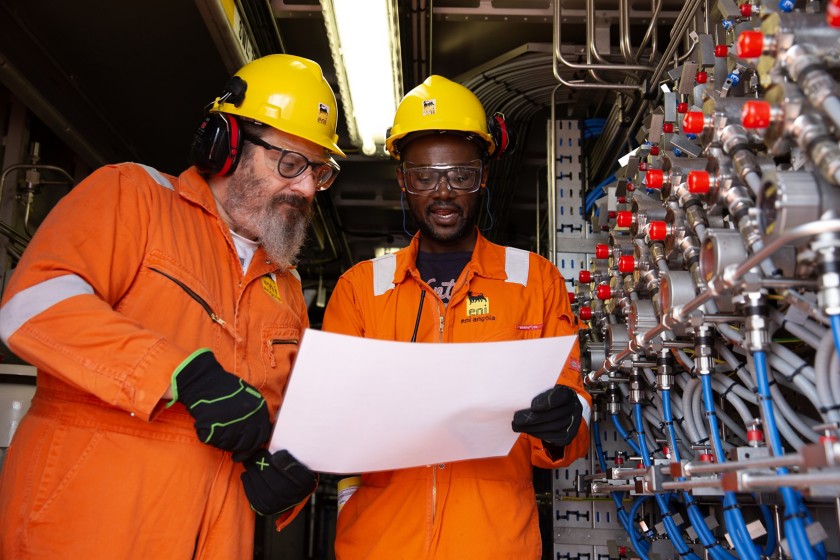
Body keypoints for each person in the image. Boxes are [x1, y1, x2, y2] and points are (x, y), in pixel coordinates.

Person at [0, 53, 341, 559]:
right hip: (89, 529)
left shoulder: (285, 284)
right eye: (290, 163)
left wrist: (290, 478)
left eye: (320, 171)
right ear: (226, 146)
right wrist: (182, 373)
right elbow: (31, 305)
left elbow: (269, 418)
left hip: (216, 539)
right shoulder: (132, 196)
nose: (308, 188)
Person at [320, 75, 592, 559]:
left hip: (492, 543)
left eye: (460, 175)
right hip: (379, 545)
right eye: (425, 176)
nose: (443, 192)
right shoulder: (361, 289)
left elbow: (569, 407)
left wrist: (566, 421)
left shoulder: (535, 281)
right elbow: (330, 424)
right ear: (403, 180)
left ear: (483, 176)